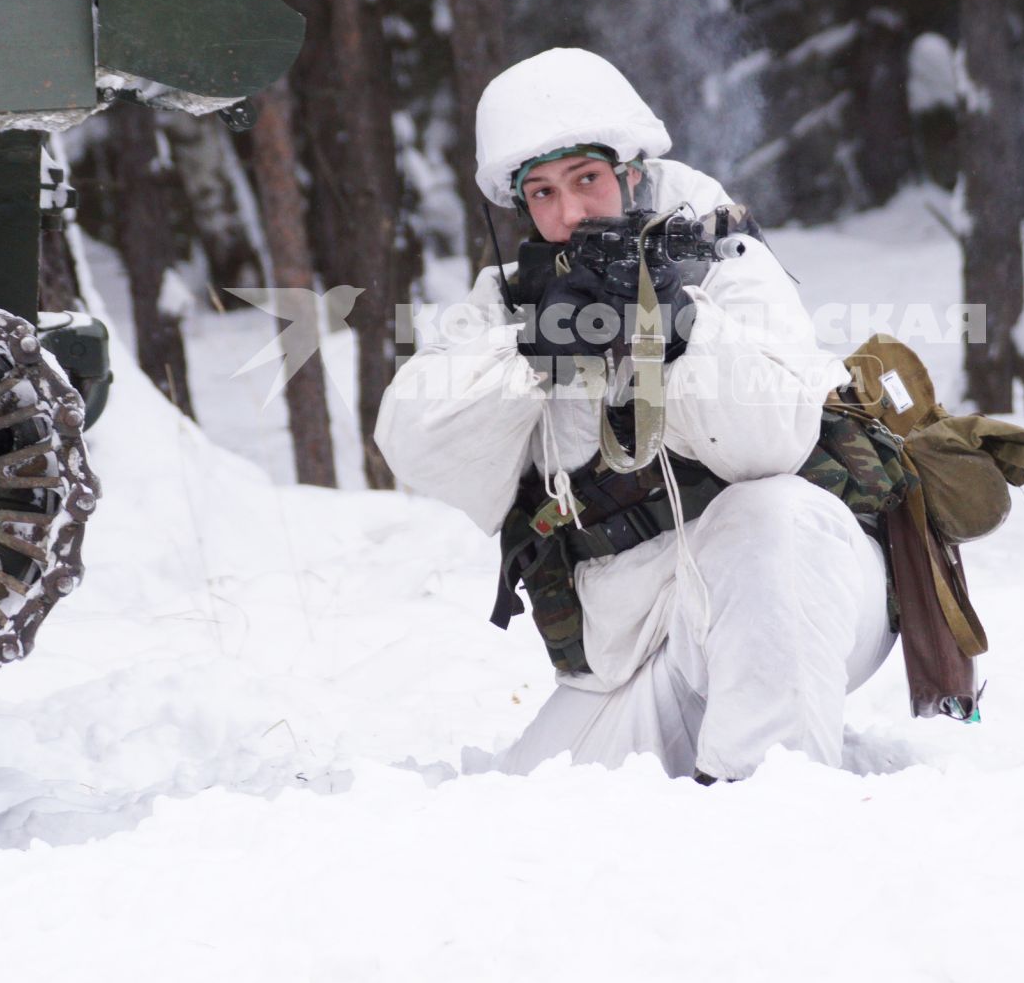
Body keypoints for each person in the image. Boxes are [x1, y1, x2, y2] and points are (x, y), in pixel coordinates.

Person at [373, 47, 894, 781]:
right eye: (543, 193)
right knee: (521, 808)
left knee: (771, 518)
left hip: (804, 592)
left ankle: (765, 801)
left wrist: (675, 329)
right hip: (639, 645)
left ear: (631, 172)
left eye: (586, 179)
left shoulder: (724, 256)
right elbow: (412, 443)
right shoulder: (513, 298)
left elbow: (773, 439)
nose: (569, 214)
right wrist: (532, 352)